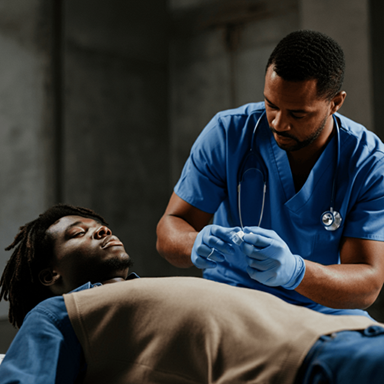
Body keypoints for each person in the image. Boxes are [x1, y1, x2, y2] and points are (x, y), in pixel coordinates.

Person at [0, 204, 384, 383]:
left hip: (355, 332)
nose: (101, 230)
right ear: (50, 274)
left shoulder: (145, 300)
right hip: (315, 366)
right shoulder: (57, 314)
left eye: (98, 224)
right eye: (77, 233)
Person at [156, 30, 384, 318]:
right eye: (271, 105)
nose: (278, 123)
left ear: (335, 103)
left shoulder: (369, 162)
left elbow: (367, 285)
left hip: (320, 308)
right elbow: (170, 229)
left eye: (297, 114)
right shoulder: (228, 134)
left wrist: (295, 272)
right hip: (231, 297)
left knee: (369, 355)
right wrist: (195, 244)